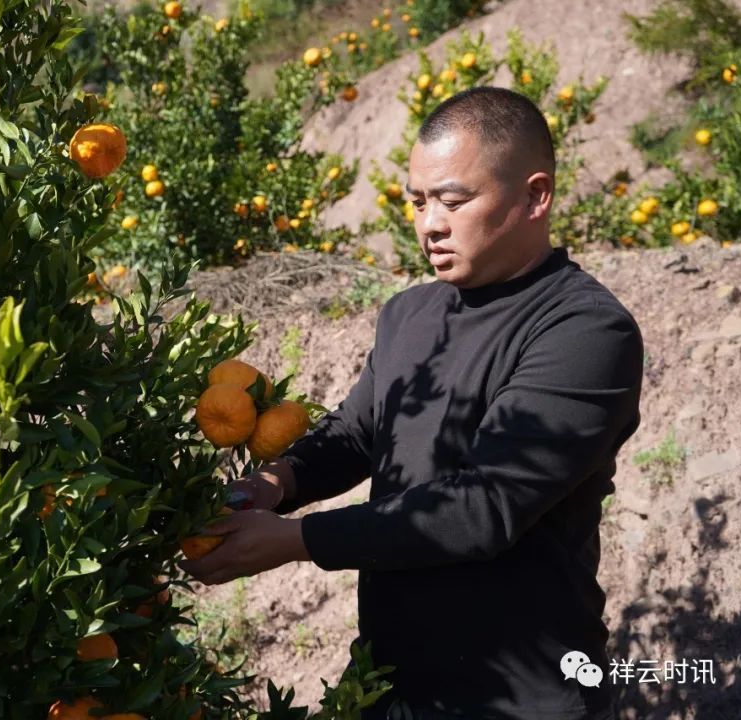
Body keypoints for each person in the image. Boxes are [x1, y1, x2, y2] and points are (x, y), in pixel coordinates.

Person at [178, 86, 644, 720]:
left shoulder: (584, 332)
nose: (431, 224)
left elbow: (485, 506)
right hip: (388, 680)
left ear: (536, 195)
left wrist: (296, 540)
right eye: (419, 202)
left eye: (455, 201)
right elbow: (357, 432)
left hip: (518, 696)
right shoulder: (410, 314)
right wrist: (272, 484)